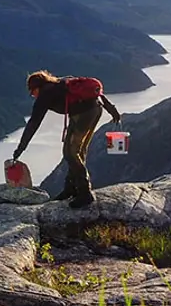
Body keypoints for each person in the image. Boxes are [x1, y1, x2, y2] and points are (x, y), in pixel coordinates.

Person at [13, 70, 121, 208]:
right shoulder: (62, 82)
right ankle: (70, 189)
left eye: (32, 91)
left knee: (71, 153)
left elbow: (34, 123)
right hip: (94, 110)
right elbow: (95, 93)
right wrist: (111, 109)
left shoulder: (45, 94)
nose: (32, 95)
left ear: (37, 87)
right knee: (76, 151)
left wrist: (21, 148)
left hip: (83, 115)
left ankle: (84, 192)